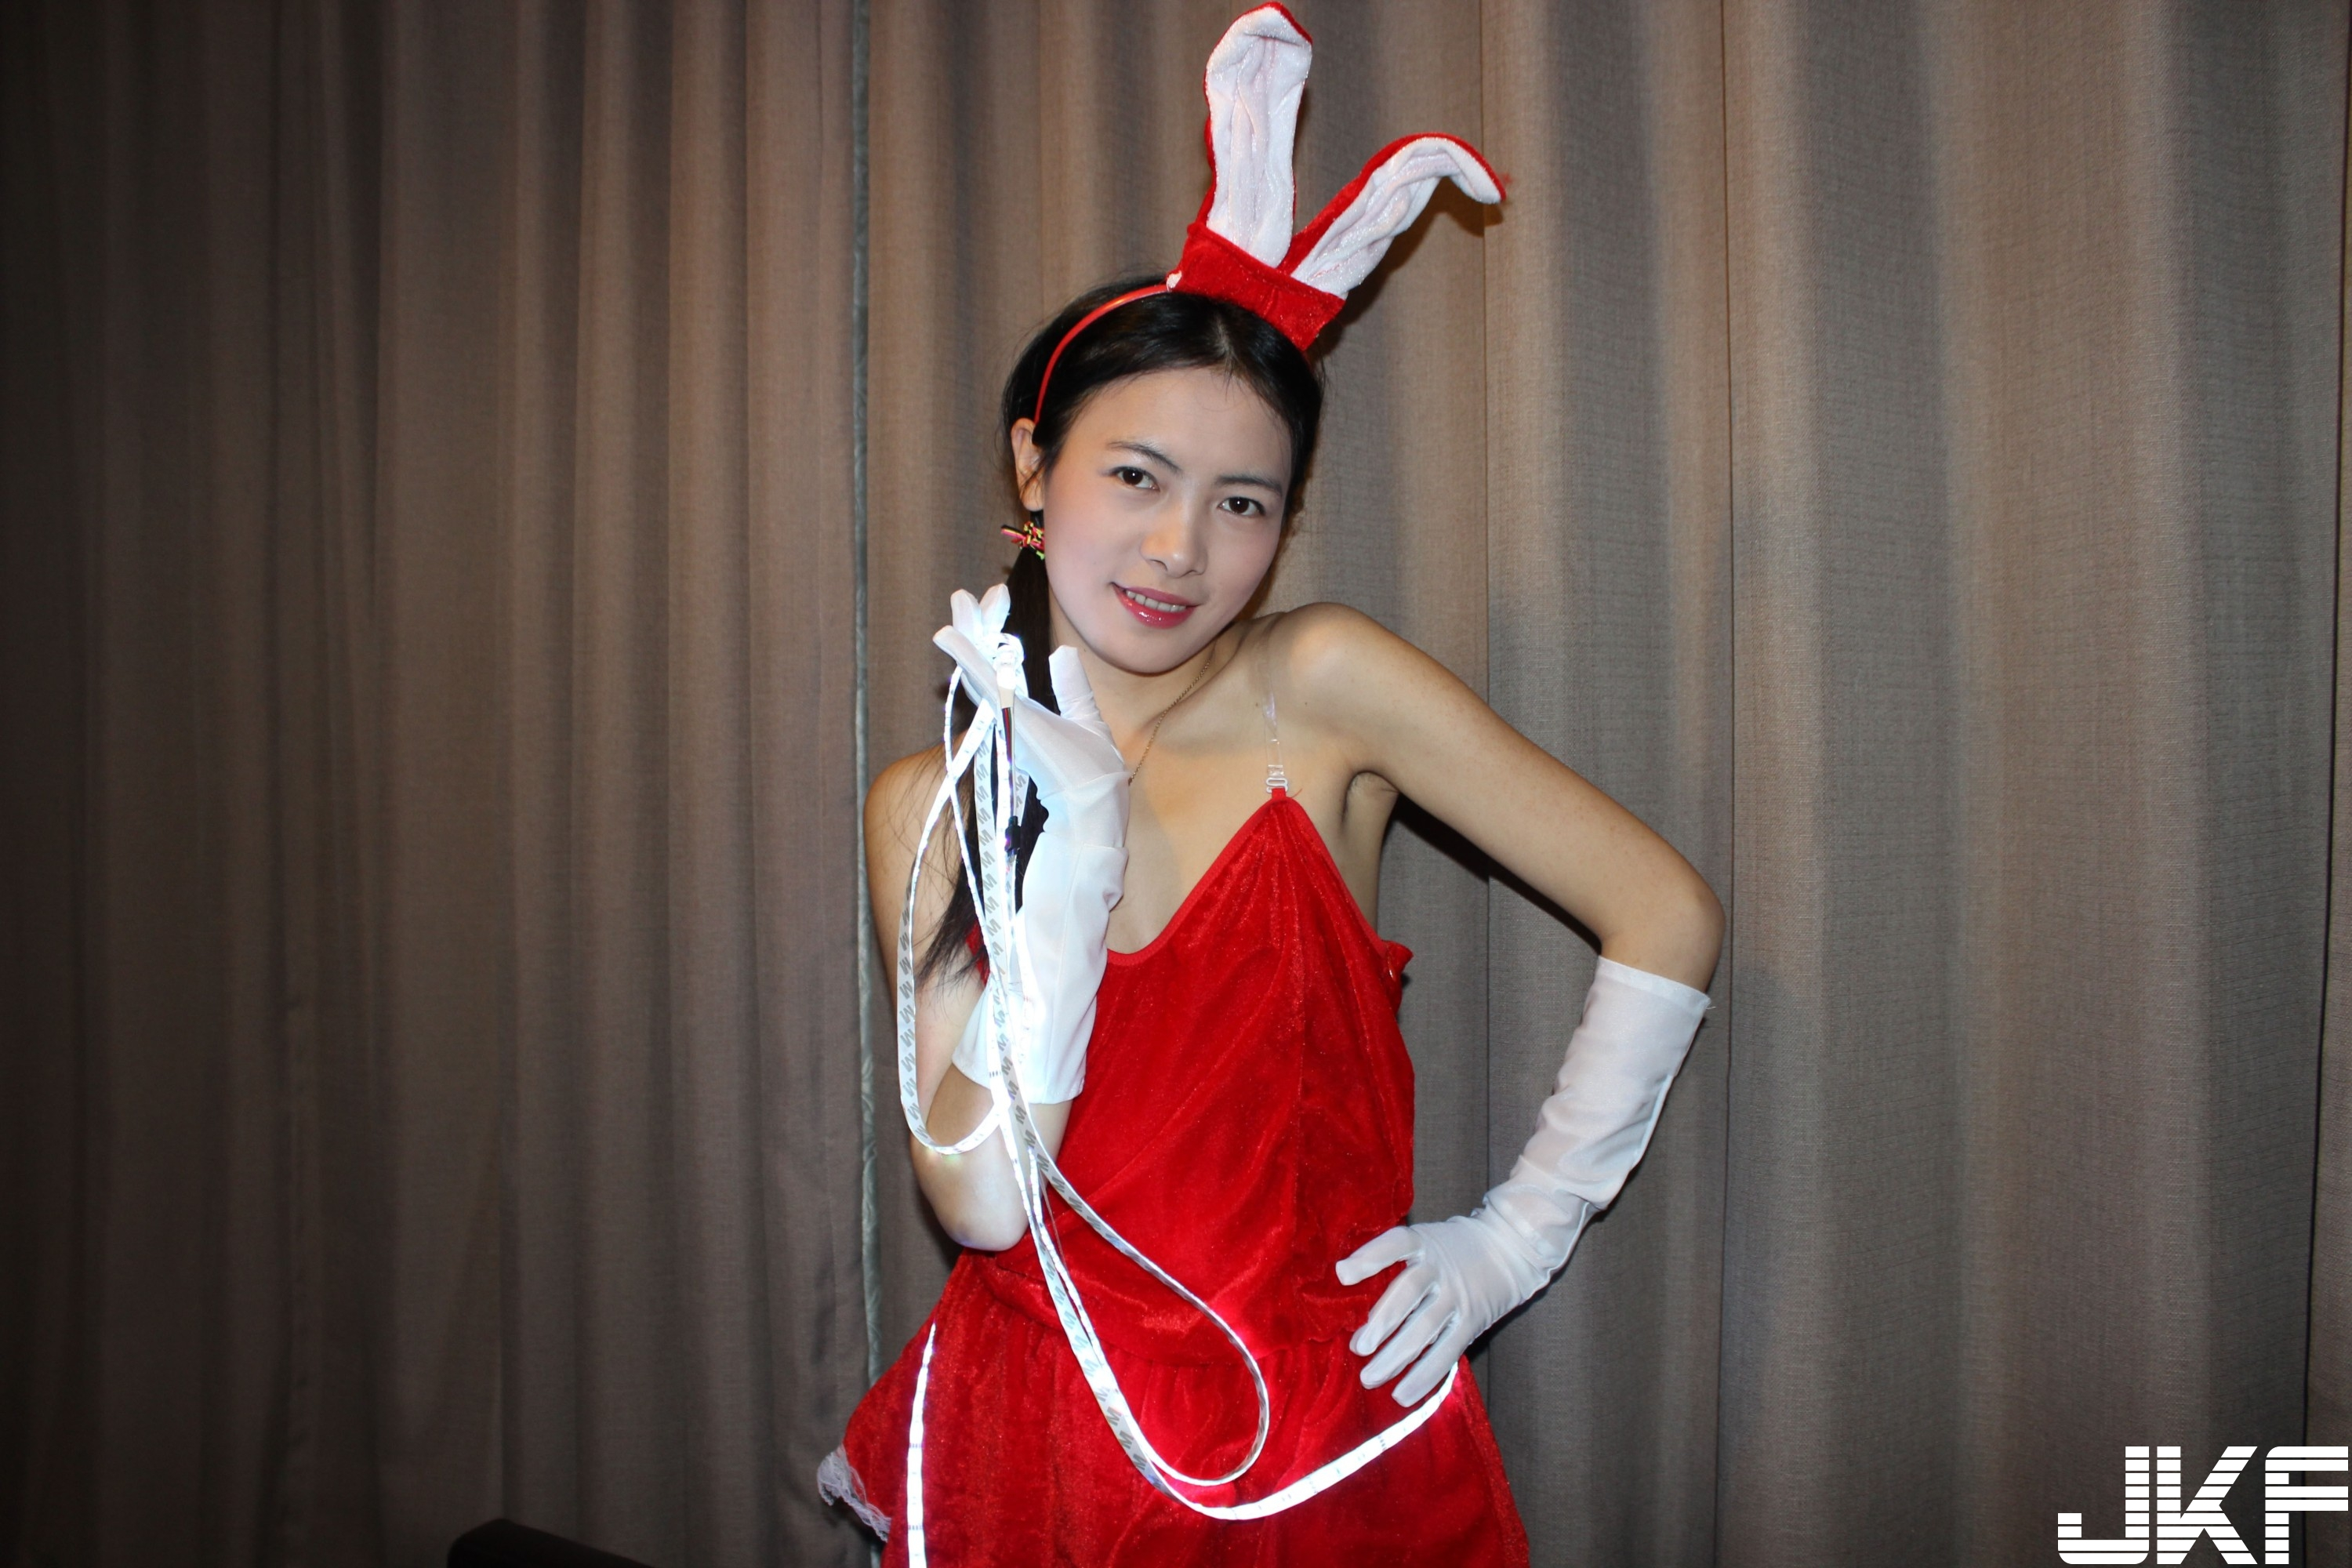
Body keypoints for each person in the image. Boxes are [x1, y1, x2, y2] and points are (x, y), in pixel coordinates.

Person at [820, 9, 1722, 1563]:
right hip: (1032, 1434)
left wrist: (1514, 1240)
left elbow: (1666, 911)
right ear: (1034, 465)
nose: (1181, 548)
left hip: (1310, 1445)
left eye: (1243, 502)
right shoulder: (929, 798)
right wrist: (1066, 853)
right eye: (1136, 476)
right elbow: (978, 1203)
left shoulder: (1321, 686)